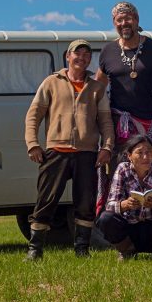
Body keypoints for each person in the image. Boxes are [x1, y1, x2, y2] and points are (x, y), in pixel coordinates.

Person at [25, 39, 114, 260]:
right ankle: (35, 250)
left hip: (87, 154)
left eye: (86, 55)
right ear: (68, 56)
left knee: (85, 203)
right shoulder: (51, 82)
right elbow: (33, 115)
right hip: (56, 151)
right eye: (77, 53)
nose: (82, 58)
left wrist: (107, 147)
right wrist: (33, 144)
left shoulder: (97, 88)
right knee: (46, 200)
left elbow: (106, 121)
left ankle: (82, 249)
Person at [96, 135, 152, 260]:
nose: (145, 157)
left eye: (149, 152)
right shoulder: (122, 169)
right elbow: (110, 204)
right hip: (130, 228)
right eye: (139, 153)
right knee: (105, 218)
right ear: (129, 156)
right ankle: (127, 251)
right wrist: (124, 205)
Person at [95, 1, 152, 154]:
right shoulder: (108, 51)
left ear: (136, 20)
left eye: (128, 18)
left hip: (151, 123)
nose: (123, 23)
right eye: (119, 20)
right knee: (121, 173)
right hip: (121, 127)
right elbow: (98, 87)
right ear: (114, 23)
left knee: (149, 172)